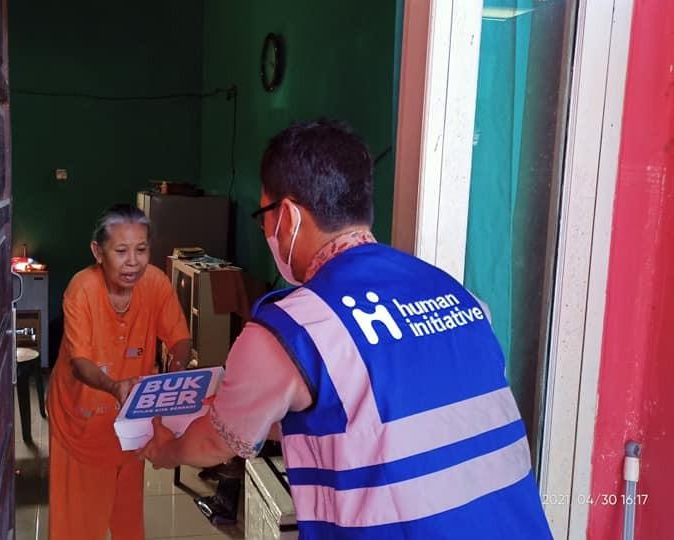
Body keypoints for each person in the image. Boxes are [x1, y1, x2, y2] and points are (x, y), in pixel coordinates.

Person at [141, 120, 553, 538]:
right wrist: (257, 416)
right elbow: (383, 414)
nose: (266, 231)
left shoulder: (292, 327)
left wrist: (167, 449)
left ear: (286, 216)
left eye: (263, 216)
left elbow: (216, 444)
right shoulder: (458, 296)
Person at [47, 204, 192, 540]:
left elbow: (180, 337)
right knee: (78, 527)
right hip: (79, 423)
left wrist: (178, 366)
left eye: (141, 250)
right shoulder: (81, 289)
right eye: (122, 251)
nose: (133, 261)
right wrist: (114, 387)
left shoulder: (154, 282)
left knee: (127, 522)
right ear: (98, 252)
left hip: (130, 424)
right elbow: (79, 362)